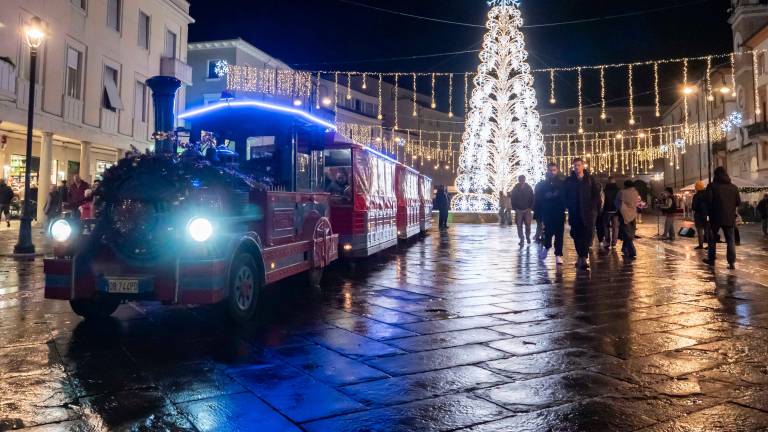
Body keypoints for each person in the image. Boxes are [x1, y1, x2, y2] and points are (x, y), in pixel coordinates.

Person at [563, 158, 602, 270]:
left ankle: (583, 257)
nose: (576, 167)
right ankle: (581, 256)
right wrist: (569, 205)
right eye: (575, 165)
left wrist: (595, 208)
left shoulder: (590, 179)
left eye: (579, 165)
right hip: (575, 213)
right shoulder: (569, 180)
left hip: (588, 213)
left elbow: (596, 195)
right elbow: (564, 195)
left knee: (587, 235)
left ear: (583, 166)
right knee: (576, 235)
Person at [703, 167, 740, 269]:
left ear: (715, 175)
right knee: (730, 240)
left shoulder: (711, 186)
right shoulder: (734, 187)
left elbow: (708, 201)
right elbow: (738, 202)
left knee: (712, 239)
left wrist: (708, 213)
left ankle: (711, 259)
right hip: (729, 218)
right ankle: (731, 262)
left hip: (715, 217)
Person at [535, 163, 566, 265]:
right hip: (547, 212)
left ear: (557, 171)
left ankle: (558, 254)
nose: (552, 172)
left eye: (554, 170)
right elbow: (538, 198)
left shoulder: (562, 183)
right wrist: (546, 196)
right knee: (547, 232)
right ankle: (547, 247)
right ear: (547, 171)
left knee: (559, 234)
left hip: (559, 212)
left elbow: (565, 195)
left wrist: (558, 195)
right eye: (550, 170)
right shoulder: (542, 184)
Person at [617, 180, 641, 260]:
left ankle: (632, 250)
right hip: (633, 214)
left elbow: (616, 203)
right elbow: (637, 203)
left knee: (626, 233)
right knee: (631, 232)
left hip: (624, 214)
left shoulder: (622, 192)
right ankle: (624, 248)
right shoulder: (636, 192)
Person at [511, 175, 534, 245]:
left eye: (523, 179)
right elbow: (513, 198)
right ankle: (522, 239)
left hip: (527, 210)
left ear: (525, 180)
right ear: (519, 180)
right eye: (520, 179)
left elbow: (532, 198)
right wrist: (515, 208)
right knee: (519, 225)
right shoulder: (515, 188)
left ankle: (527, 237)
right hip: (519, 210)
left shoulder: (529, 188)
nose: (521, 181)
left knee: (528, 225)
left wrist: (530, 207)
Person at [601, 177, 620, 249]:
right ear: (614, 181)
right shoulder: (618, 190)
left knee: (606, 226)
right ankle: (614, 243)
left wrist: (602, 209)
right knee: (615, 227)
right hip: (615, 211)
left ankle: (607, 241)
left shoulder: (605, 190)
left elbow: (602, 200)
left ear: (608, 181)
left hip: (606, 210)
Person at [691, 181, 709, 249]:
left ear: (696, 188)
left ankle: (700, 245)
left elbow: (694, 207)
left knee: (700, 230)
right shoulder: (707, 194)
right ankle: (709, 245)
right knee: (707, 230)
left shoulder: (696, 196)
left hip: (698, 215)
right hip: (707, 215)